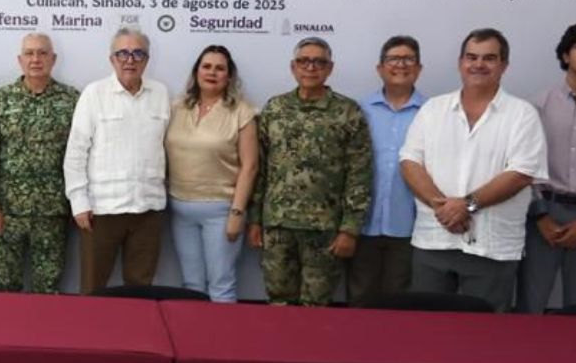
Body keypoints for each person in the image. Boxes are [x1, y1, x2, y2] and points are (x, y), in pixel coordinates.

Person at [400, 28, 547, 312]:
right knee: (425, 332)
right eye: (471, 57)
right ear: (460, 62)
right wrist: (441, 206)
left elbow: (521, 173)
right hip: (434, 238)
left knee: (484, 340)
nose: (478, 64)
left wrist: (465, 205)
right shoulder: (433, 109)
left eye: (489, 58)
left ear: (504, 65)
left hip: (492, 247)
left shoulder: (522, 114)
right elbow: (409, 162)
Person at [248, 37, 371, 306]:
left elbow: (359, 173)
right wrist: (255, 220)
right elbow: (260, 168)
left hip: (324, 229)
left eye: (319, 62)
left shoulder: (347, 112)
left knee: (316, 307)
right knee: (278, 302)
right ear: (293, 67)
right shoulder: (275, 108)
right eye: (304, 61)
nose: (311, 67)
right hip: (277, 226)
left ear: (330, 68)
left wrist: (350, 229)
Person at [64, 27, 170, 294]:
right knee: (93, 287)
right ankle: (89, 334)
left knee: (141, 289)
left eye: (138, 53)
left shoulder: (161, 94)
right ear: (112, 59)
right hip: (101, 211)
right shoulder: (94, 94)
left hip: (148, 210)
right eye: (122, 53)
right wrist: (79, 201)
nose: (130, 60)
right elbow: (76, 151)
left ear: (147, 59)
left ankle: (136, 336)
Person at [0, 33, 79, 293]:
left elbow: (82, 154)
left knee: (48, 287)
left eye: (42, 53)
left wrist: (79, 203)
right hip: (6, 213)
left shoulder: (72, 99)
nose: (36, 59)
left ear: (53, 59)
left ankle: (46, 334)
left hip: (52, 212)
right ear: (20, 60)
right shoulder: (1, 99)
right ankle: (5, 334)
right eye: (29, 53)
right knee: (6, 286)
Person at [164, 45, 257, 302]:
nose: (212, 73)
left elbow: (250, 167)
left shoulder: (241, 112)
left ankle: (223, 341)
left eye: (220, 68)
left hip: (221, 211)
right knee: (191, 285)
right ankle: (193, 341)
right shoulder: (177, 107)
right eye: (206, 67)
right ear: (196, 73)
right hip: (180, 209)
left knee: (221, 286)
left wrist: (237, 212)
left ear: (229, 76)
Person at [348, 35, 426, 306]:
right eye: (393, 59)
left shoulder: (432, 112)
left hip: (409, 224)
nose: (400, 65)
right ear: (380, 68)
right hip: (364, 222)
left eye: (408, 59)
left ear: (419, 68)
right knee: (360, 296)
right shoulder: (358, 111)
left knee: (400, 299)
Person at [518, 21, 576, 313]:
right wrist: (540, 216)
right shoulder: (538, 105)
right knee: (530, 305)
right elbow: (523, 166)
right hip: (544, 215)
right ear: (565, 55)